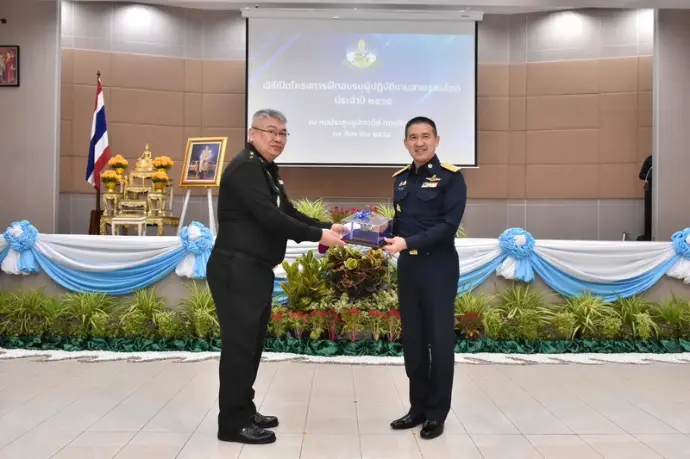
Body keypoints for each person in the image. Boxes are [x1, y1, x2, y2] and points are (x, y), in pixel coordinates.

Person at [206, 108, 347, 445]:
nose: (277, 138)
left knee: (252, 345)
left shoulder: (266, 169)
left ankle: (244, 409)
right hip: (237, 268)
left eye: (283, 133)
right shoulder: (245, 168)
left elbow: (288, 212)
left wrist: (327, 226)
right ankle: (232, 424)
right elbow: (269, 218)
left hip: (253, 270)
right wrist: (318, 236)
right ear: (252, 134)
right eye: (270, 131)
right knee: (240, 347)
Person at [383, 116, 467, 440]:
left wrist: (407, 242)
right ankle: (417, 408)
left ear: (436, 140)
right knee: (414, 340)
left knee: (439, 340)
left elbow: (447, 226)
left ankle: (436, 413)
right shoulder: (401, 180)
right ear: (406, 143)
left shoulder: (451, 178)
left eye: (425, 136)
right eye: (413, 137)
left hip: (439, 267)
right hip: (409, 267)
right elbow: (400, 224)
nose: (419, 143)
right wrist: (371, 232)